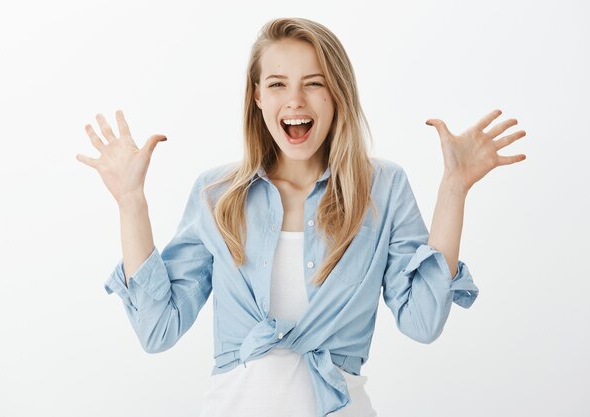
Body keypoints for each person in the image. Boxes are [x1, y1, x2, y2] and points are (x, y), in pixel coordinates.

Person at [76, 17, 527, 417]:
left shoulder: (383, 188)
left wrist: (454, 188)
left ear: (337, 94)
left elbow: (423, 321)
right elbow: (158, 330)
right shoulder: (217, 194)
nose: (295, 100)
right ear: (256, 96)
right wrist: (130, 201)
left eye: (314, 82)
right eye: (276, 84)